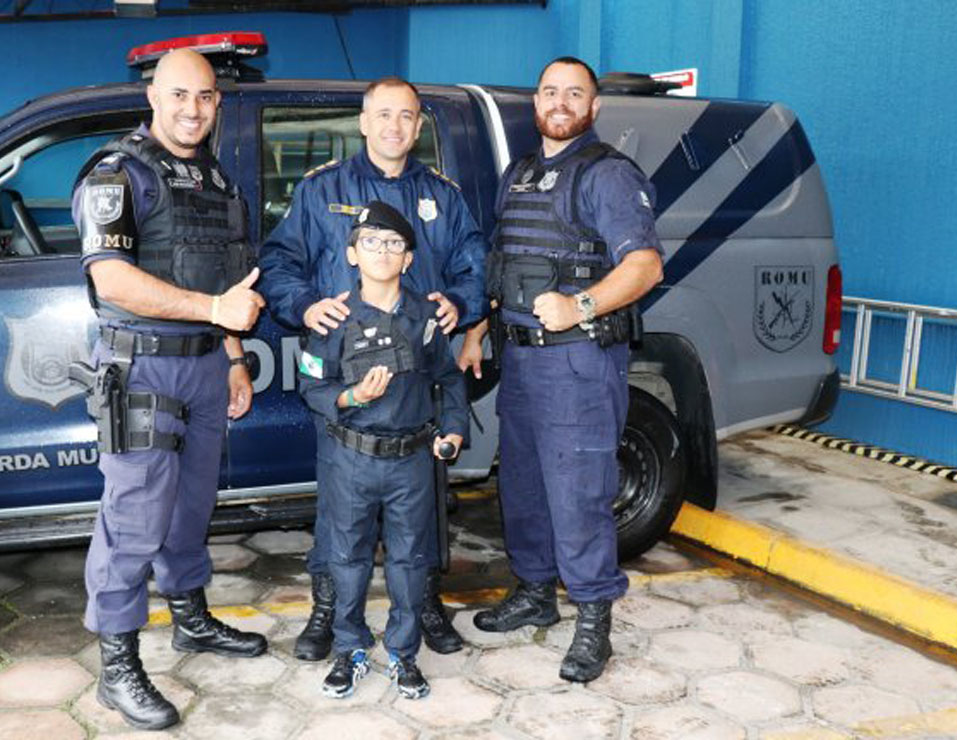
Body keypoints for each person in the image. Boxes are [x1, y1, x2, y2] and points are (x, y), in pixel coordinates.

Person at [71, 49, 268, 731]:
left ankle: (191, 620)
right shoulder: (117, 174)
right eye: (179, 95)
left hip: (207, 366)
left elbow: (231, 279)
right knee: (135, 520)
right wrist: (216, 317)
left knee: (191, 505)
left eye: (206, 97)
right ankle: (117, 667)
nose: (193, 109)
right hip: (143, 367)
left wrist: (235, 356)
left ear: (218, 103)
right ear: (152, 96)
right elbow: (113, 280)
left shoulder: (214, 177)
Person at [259, 76, 488, 660]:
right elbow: (280, 261)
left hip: (418, 379)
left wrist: (461, 306)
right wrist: (305, 304)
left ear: (418, 126)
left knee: (424, 503)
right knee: (341, 506)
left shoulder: (445, 196)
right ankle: (328, 608)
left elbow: (475, 264)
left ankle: (426, 603)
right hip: (345, 382)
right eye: (382, 114)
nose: (394, 126)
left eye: (406, 116)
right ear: (363, 123)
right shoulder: (321, 190)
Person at [472, 57, 664, 683]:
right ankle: (533, 593)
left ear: (594, 105)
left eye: (573, 93)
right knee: (523, 485)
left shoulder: (607, 175)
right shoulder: (521, 174)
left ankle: (592, 617)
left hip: (579, 361)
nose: (560, 102)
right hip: (521, 359)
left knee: (579, 493)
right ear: (536, 100)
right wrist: (478, 327)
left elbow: (644, 267)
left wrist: (579, 304)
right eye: (550, 91)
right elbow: (505, 261)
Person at [297, 201, 468, 700]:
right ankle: (349, 648)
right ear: (352, 253)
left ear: (409, 259)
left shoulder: (427, 319)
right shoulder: (333, 319)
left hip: (411, 460)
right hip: (350, 460)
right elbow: (312, 386)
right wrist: (353, 397)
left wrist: (453, 429)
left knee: (410, 560)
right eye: (371, 242)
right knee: (346, 557)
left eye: (395, 243)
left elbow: (449, 379)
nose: (383, 251)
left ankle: (402, 652)